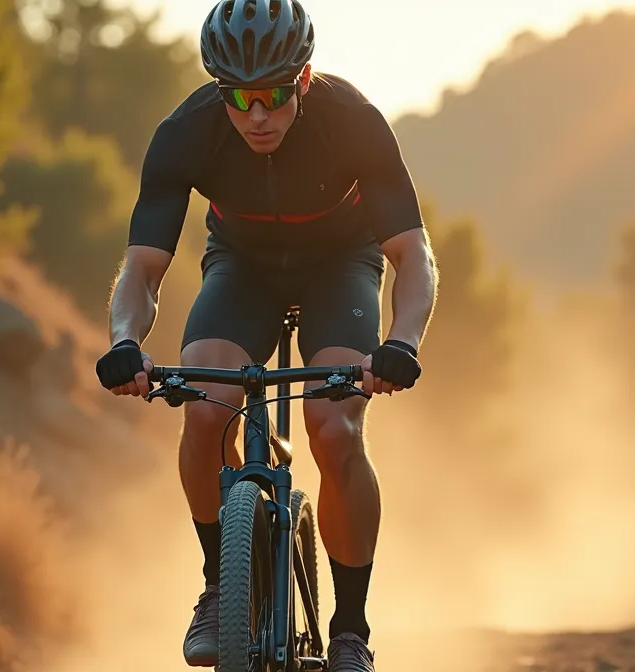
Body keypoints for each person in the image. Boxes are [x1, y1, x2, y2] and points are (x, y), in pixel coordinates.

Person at [94, 0, 437, 668]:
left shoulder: (353, 120)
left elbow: (413, 257)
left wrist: (402, 343)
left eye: (275, 95)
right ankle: (219, 587)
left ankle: (350, 630)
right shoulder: (186, 132)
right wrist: (124, 342)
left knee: (333, 427)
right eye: (239, 96)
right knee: (203, 411)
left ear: (303, 79)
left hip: (341, 263)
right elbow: (141, 269)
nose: (257, 115)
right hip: (242, 266)